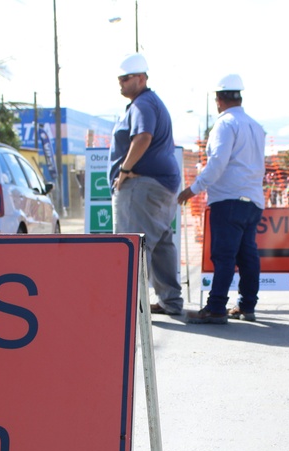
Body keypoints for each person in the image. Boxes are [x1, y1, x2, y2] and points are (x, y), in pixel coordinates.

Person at [178, 74, 267, 324]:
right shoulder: (255, 126)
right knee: (247, 256)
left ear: (218, 100)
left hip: (228, 199)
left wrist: (193, 188)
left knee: (224, 256)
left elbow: (218, 161)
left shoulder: (225, 124)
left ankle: (216, 307)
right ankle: (247, 306)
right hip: (253, 200)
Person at [110, 53, 184, 315]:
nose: (121, 83)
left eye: (125, 78)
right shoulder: (150, 103)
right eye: (119, 79)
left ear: (141, 79)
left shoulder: (142, 104)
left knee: (133, 248)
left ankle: (131, 307)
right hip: (161, 185)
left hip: (142, 186)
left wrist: (124, 170)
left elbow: (143, 137)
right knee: (161, 245)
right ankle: (170, 301)